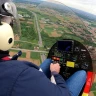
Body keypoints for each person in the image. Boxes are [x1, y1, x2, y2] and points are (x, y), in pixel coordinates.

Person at [0, 0, 87, 96]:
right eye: (10, 24)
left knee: (50, 60)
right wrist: (55, 74)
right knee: (82, 74)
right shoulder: (20, 74)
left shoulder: (14, 70)